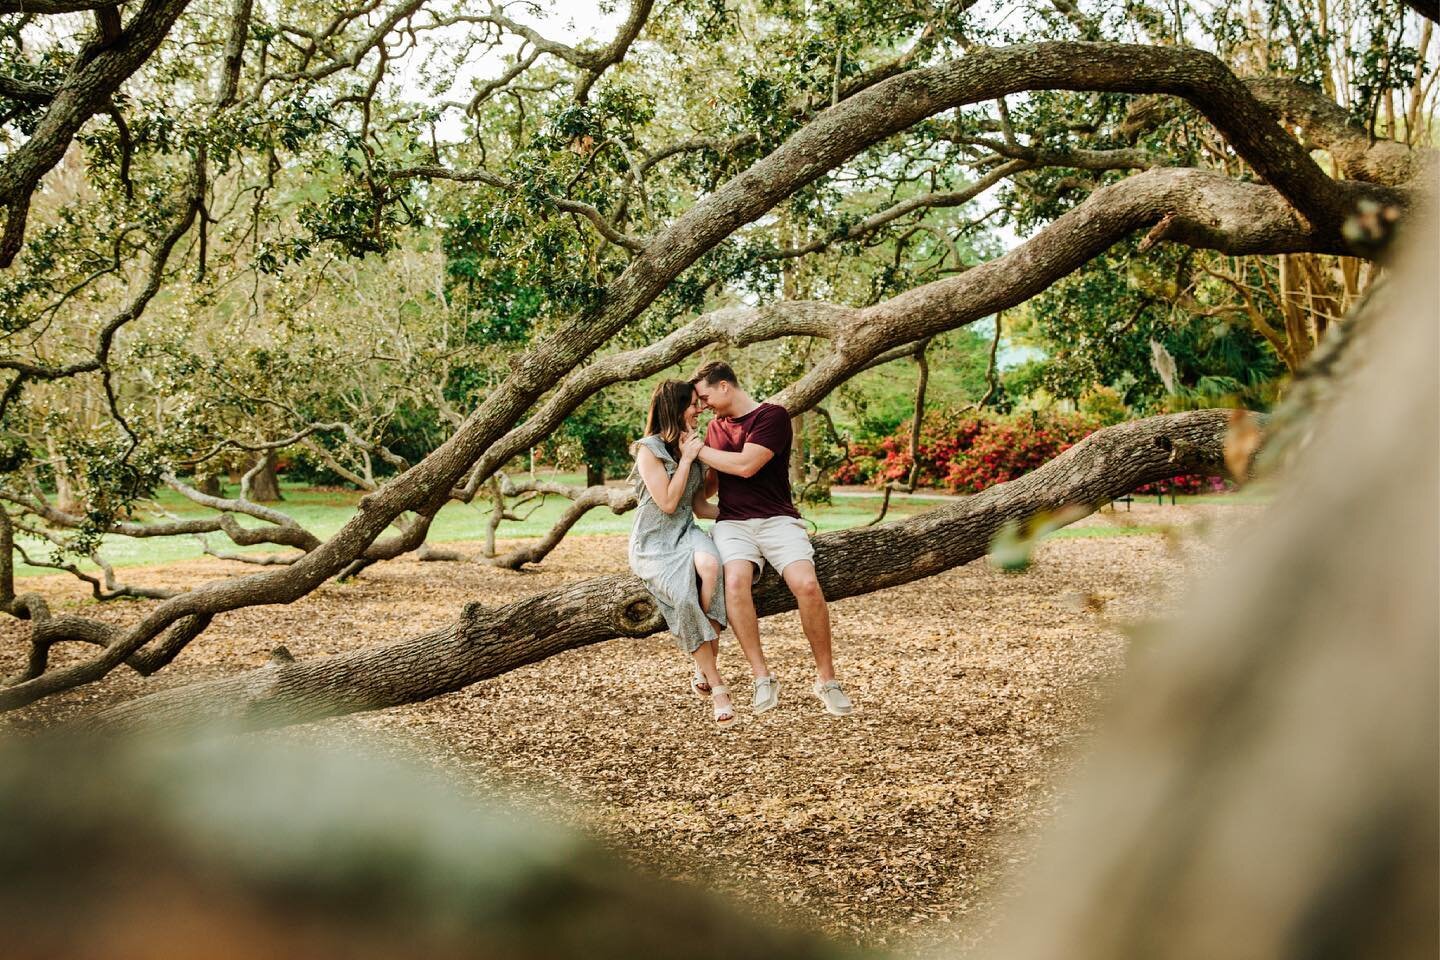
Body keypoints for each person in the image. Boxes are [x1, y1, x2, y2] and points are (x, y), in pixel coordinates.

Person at [689, 361, 853, 717]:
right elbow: (710, 489)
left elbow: (747, 465)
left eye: (705, 398)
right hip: (733, 524)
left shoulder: (772, 416)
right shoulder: (714, 430)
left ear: (724, 387)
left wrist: (696, 450)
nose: (703, 407)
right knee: (735, 582)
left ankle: (827, 680)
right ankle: (761, 676)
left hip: (778, 521)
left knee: (807, 585)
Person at [628, 379, 735, 727]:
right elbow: (669, 502)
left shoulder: (692, 446)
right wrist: (689, 459)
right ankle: (716, 684)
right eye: (692, 404)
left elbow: (700, 507)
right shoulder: (650, 449)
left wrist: (751, 514)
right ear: (674, 408)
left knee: (712, 566)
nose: (700, 409)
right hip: (653, 543)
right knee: (686, 597)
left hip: (685, 532)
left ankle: (703, 665)